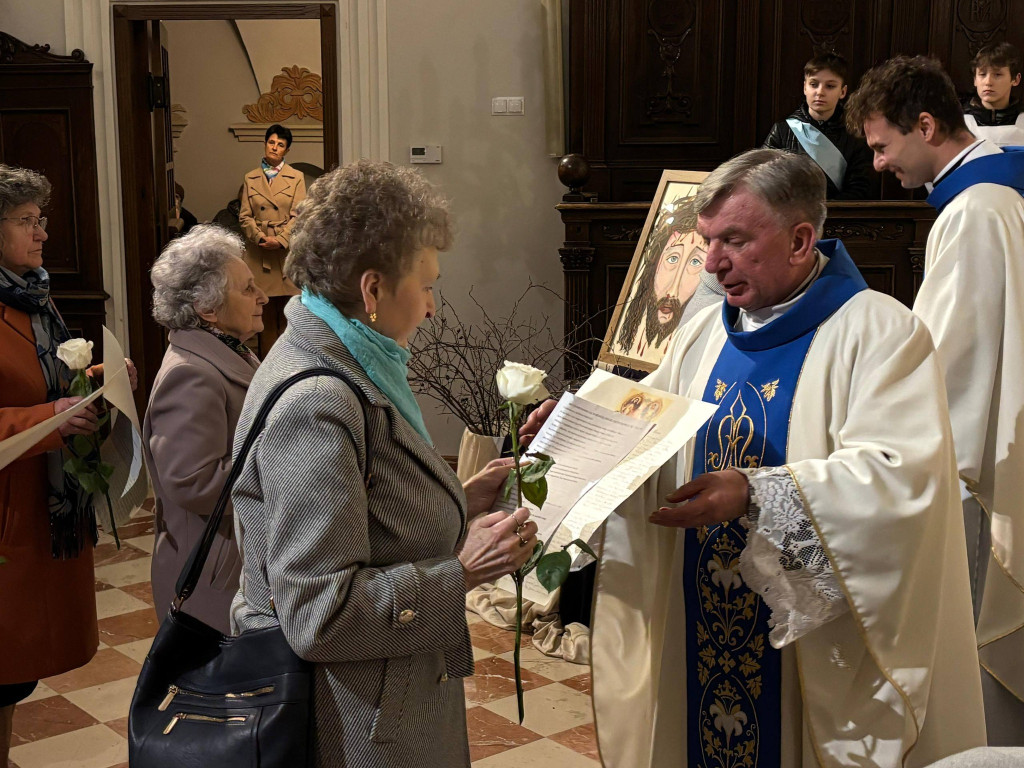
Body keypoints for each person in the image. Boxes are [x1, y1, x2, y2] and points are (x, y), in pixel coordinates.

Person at [526, 149, 985, 767]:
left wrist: (757, 493)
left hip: (804, 650)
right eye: (708, 241)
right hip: (701, 624)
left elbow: (901, 480)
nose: (712, 266)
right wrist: (575, 425)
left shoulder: (880, 333)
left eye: (735, 242)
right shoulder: (705, 332)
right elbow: (649, 421)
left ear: (801, 240)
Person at [229, 160, 539, 767]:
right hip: (356, 725)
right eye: (426, 286)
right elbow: (319, 614)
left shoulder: (353, 358)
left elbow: (370, 504)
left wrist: (459, 497)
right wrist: (463, 570)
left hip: (386, 699)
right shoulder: (317, 400)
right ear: (372, 290)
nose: (430, 308)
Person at [846, 54, 1024, 746]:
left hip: (984, 457)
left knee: (981, 640)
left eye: (885, 146)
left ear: (926, 126)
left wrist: (870, 408)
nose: (881, 165)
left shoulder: (978, 210)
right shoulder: (991, 192)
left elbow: (951, 361)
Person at [0, 165, 137, 761]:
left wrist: (103, 382)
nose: (42, 233)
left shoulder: (32, 297)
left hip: (39, 505)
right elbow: (34, 402)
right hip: (8, 513)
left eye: (42, 219)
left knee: (12, 676)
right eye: (26, 221)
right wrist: (48, 420)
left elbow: (52, 379)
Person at [144, 225, 268, 633]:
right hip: (212, 574)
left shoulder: (228, 351)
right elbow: (193, 483)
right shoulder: (193, 374)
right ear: (207, 307)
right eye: (248, 288)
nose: (263, 297)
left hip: (230, 563)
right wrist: (287, 467)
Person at [613, 202, 716, 361]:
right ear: (654, 264)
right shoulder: (628, 339)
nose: (672, 291)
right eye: (673, 258)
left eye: (696, 262)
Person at [763, 52, 874, 199]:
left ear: (842, 91)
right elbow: (763, 179)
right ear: (804, 88)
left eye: (830, 86)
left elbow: (861, 189)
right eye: (814, 84)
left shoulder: (855, 135)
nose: (820, 92)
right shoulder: (782, 131)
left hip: (839, 218)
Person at [238, 123, 307, 348]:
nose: (274, 148)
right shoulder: (251, 178)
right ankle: (266, 370)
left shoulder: (296, 177)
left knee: (289, 318)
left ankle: (289, 371)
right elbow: (245, 216)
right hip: (260, 256)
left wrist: (280, 240)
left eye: (280, 145)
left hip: (285, 255)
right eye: (271, 142)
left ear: (287, 151)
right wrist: (259, 238)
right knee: (262, 318)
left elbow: (300, 215)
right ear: (265, 143)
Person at [963, 42, 1024, 147]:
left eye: (997, 75)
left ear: (1015, 79)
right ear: (975, 80)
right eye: (982, 74)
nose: (988, 82)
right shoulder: (959, 123)